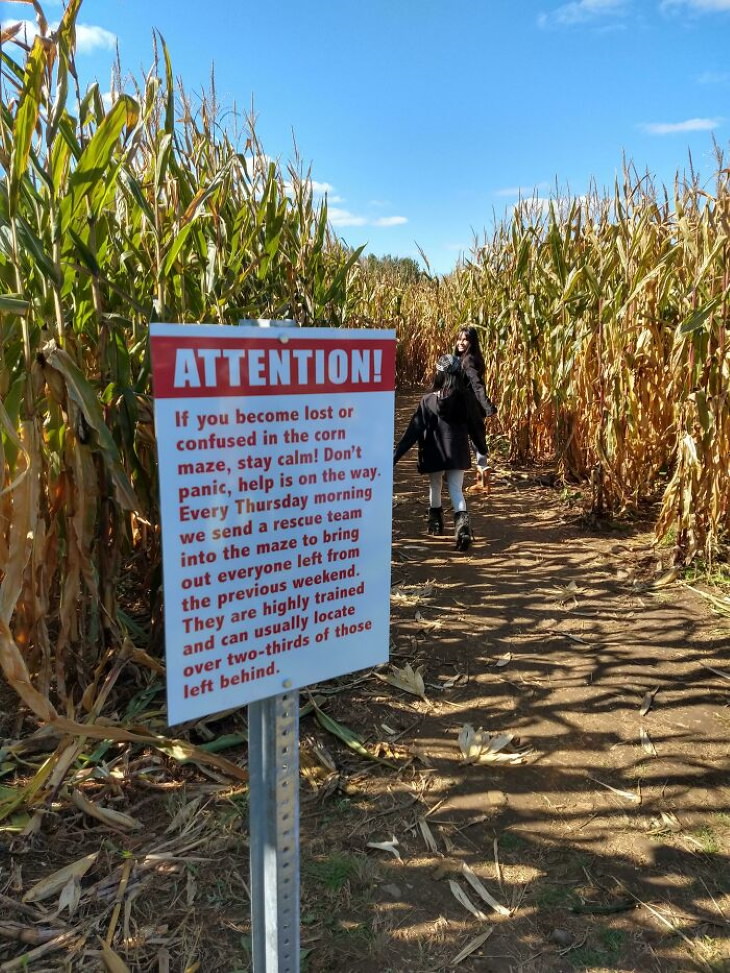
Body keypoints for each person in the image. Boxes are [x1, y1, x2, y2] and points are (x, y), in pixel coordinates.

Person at [393, 354, 488, 552]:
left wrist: (395, 456)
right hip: (456, 451)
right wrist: (482, 450)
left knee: (435, 485)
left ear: (438, 374)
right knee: (456, 488)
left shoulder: (428, 401)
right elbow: (476, 427)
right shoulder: (466, 399)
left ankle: (435, 523)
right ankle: (463, 529)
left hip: (433, 450)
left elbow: (414, 430)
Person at [453, 325, 497, 489]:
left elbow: (477, 385)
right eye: (459, 339)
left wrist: (488, 406)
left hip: (466, 409)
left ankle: (452, 478)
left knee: (457, 441)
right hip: (473, 409)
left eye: (465, 339)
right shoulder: (470, 357)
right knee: (477, 443)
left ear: (472, 342)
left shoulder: (468, 360)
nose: (461, 342)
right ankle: (483, 482)